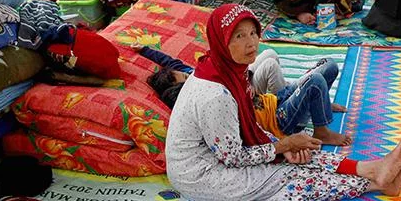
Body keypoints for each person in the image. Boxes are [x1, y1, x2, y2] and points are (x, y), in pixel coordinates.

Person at [166, 4, 401, 201]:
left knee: (300, 154)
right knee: (292, 175)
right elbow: (234, 157)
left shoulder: (228, 72)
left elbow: (247, 127)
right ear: (220, 41)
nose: (251, 43)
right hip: (200, 174)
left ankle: (371, 168)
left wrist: (280, 147)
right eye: (239, 36)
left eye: (253, 33)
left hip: (219, 154)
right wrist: (281, 146)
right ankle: (377, 184)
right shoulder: (215, 93)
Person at [144, 45, 351, 146]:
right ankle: (321, 130)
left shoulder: (202, 74)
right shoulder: (203, 98)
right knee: (314, 82)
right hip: (280, 119)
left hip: (275, 100)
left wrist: (144, 49)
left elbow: (171, 62)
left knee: (329, 65)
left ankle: (319, 102)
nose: (189, 75)